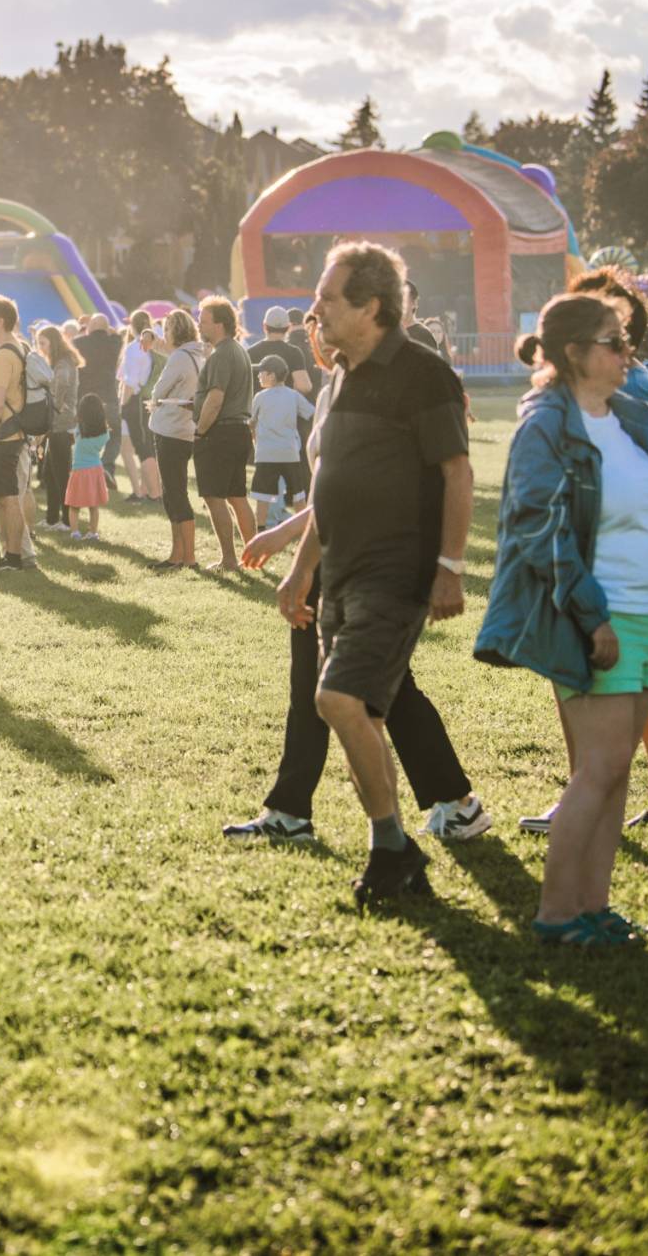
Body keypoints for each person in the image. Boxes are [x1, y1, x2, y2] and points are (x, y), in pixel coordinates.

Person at [477, 293, 648, 945]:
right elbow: (537, 523)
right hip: (601, 618)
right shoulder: (546, 424)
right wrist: (590, 615)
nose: (625, 350)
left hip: (646, 613)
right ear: (575, 353)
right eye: (612, 340)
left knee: (615, 771)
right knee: (598, 769)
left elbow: (633, 481)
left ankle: (594, 907)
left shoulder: (625, 412)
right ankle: (555, 913)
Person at [229, 302, 491, 851]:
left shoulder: (382, 385)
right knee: (323, 685)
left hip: (369, 558)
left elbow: (436, 475)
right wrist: (290, 546)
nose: (317, 336)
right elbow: (332, 486)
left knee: (374, 690)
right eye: (312, 328)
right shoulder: (337, 388)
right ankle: (292, 809)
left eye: (323, 323)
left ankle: (451, 805)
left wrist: (449, 567)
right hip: (333, 553)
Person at [300, 242, 473, 904]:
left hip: (395, 571)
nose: (315, 306)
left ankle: (392, 844)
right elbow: (330, 482)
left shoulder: (422, 373)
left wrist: (449, 567)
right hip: (340, 573)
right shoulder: (343, 369)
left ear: (370, 306)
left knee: (336, 699)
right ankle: (391, 849)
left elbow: (456, 471)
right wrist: (300, 574)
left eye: (327, 296)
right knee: (362, 713)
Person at [0, 296, 39, 572]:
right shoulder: (19, 347)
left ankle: (13, 557)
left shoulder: (2, 355)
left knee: (7, 498)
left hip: (0, 437)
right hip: (13, 434)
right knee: (4, 497)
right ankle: (11, 555)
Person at [192, 297, 254, 572]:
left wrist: (199, 431)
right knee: (237, 497)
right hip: (239, 431)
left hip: (220, 433)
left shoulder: (221, 355)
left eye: (204, 320)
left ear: (219, 324)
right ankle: (253, 558)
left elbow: (215, 399)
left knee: (214, 497)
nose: (199, 325)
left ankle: (229, 560)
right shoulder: (238, 350)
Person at [145, 309, 205, 571]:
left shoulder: (181, 357)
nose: (164, 334)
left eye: (166, 329)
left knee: (175, 493)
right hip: (186, 430)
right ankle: (178, 554)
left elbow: (159, 390)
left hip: (171, 429)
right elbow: (169, 353)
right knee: (175, 491)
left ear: (175, 331)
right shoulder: (197, 353)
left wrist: (155, 400)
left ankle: (186, 556)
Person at [249, 358, 315, 530]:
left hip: (266, 454)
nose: (258, 376)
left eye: (262, 373)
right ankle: (305, 529)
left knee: (262, 496)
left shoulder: (260, 397)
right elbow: (311, 413)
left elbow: (252, 422)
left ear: (271, 375)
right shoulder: (293, 395)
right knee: (298, 494)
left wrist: (256, 440)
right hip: (289, 452)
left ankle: (261, 529)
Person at [36, 322, 82, 534]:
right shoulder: (61, 361)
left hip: (60, 424)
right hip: (56, 424)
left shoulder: (63, 363)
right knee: (50, 474)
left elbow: (61, 385)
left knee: (61, 474)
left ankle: (66, 519)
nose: (40, 347)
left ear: (53, 343)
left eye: (42, 343)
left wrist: (53, 402)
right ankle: (53, 518)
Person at [77, 312, 125, 490]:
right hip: (109, 398)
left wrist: (88, 327)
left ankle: (87, 475)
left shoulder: (79, 343)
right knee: (115, 436)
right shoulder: (115, 343)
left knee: (86, 438)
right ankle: (107, 466)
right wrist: (106, 328)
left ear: (89, 329)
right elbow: (117, 333)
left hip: (86, 400)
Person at [120, 311, 163, 500]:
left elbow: (129, 381)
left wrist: (122, 405)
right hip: (153, 398)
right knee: (151, 446)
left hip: (136, 400)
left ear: (133, 325)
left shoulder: (133, 348)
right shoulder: (157, 344)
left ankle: (155, 494)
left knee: (143, 448)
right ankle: (148, 490)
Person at [64, 393, 110, 539]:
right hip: (95, 469)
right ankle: (93, 532)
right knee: (93, 505)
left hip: (78, 470)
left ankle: (75, 532)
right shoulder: (105, 434)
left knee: (74, 505)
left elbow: (73, 436)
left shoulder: (79, 430)